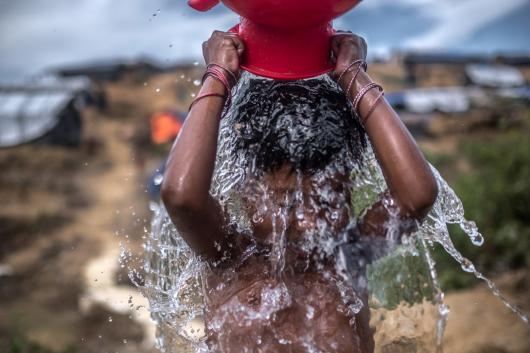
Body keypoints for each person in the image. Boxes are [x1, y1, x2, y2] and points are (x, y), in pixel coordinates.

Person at [161, 30, 438, 353]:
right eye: (285, 203)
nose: (309, 223)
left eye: (328, 199)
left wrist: (352, 75)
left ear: (350, 186)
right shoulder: (230, 257)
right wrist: (218, 75)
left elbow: (415, 195)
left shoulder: (349, 257)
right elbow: (182, 196)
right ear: (244, 191)